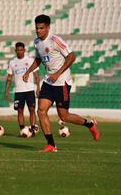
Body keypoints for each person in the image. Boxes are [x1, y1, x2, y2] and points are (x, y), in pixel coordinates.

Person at [23, 14, 100, 152]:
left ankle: (90, 124)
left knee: (63, 116)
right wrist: (28, 71)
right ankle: (51, 145)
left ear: (48, 27)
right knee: (41, 110)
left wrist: (57, 73)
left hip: (62, 81)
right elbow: (39, 59)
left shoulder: (55, 40)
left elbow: (71, 57)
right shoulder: (37, 42)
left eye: (41, 28)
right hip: (48, 81)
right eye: (36, 28)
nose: (38, 31)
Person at [5, 42, 40, 136]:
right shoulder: (12, 62)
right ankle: (23, 130)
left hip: (29, 89)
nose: (19, 52)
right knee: (19, 110)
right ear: (15, 51)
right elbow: (9, 77)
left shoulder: (30, 60)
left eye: (21, 50)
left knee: (32, 109)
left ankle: (32, 130)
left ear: (24, 50)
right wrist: (6, 91)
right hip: (18, 91)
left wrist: (38, 88)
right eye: (18, 50)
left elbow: (36, 75)